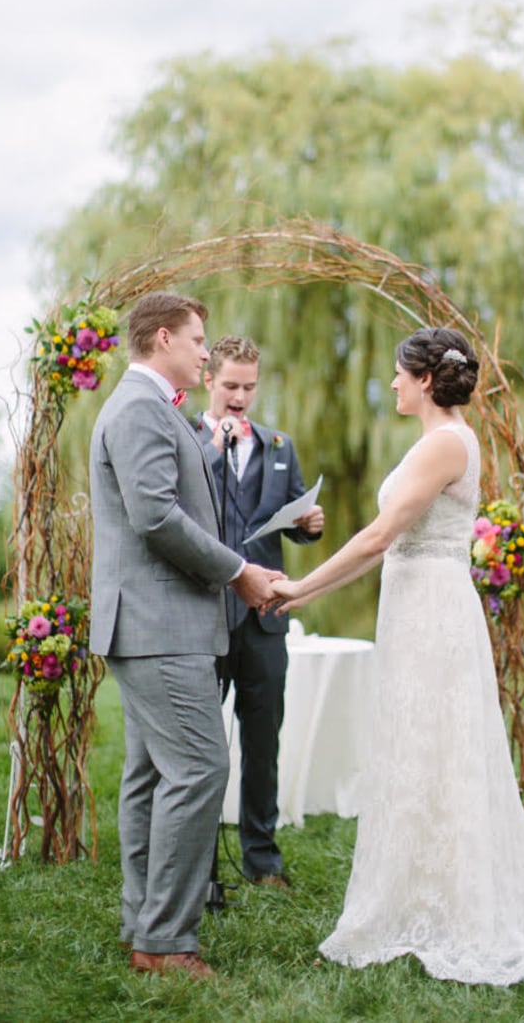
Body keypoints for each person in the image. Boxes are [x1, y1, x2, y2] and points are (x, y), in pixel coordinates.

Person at [270, 326, 524, 993]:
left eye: (402, 373)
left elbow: (379, 534)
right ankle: (416, 893)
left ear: (427, 379)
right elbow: (382, 545)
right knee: (417, 750)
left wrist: (300, 586)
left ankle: (448, 903)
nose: (396, 382)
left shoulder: (442, 444)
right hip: (415, 605)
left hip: (432, 612)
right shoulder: (442, 440)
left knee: (438, 749)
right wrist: (305, 589)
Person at [88, 293, 283, 980]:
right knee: (200, 767)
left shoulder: (144, 404)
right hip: (157, 623)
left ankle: (144, 921)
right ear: (162, 337)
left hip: (149, 622)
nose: (207, 353)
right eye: (199, 341)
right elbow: (155, 516)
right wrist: (238, 572)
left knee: (151, 773)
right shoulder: (141, 407)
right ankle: (167, 940)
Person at [192, 335, 324, 887]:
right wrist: (211, 453)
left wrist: (308, 527)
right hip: (205, 614)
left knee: (263, 739)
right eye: (230, 386)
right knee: (200, 746)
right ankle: (197, 865)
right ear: (209, 382)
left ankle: (263, 858)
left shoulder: (278, 447)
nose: (241, 396)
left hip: (267, 619)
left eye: (249, 386)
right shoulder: (187, 439)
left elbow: (288, 518)